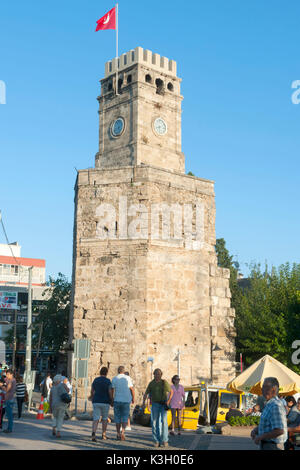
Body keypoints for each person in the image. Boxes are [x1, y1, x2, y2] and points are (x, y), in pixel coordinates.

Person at [250, 377, 287, 450]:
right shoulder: (269, 404)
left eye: (265, 387)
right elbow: (268, 424)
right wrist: (256, 430)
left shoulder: (275, 405)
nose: (262, 390)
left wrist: (260, 437)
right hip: (267, 445)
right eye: (262, 387)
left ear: (273, 390)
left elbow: (279, 430)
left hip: (273, 446)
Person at [142, 368, 173, 448]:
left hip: (163, 404)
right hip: (155, 404)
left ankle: (165, 440)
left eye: (159, 374)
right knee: (155, 423)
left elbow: (171, 392)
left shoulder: (164, 382)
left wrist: (168, 401)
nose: (157, 375)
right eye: (156, 374)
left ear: (161, 375)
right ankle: (157, 440)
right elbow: (146, 393)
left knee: (164, 422)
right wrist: (143, 403)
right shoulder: (151, 383)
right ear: (154, 375)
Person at [111, 366, 135, 441]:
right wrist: (133, 398)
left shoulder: (114, 378)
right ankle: (123, 433)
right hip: (126, 400)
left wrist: (112, 399)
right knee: (125, 417)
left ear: (118, 371)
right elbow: (132, 389)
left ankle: (118, 433)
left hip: (117, 400)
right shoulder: (127, 378)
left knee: (117, 417)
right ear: (124, 371)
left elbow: (112, 389)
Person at [89, 366, 113, 442]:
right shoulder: (108, 381)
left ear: (100, 372)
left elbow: (92, 391)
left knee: (96, 418)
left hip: (96, 401)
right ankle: (104, 434)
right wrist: (111, 400)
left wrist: (92, 398)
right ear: (106, 373)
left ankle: (93, 432)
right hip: (105, 402)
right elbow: (110, 392)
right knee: (105, 418)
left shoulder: (96, 380)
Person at [2, 369, 16, 433]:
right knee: (8, 415)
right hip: (10, 399)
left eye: (8, 374)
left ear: (11, 374)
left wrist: (2, 386)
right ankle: (9, 428)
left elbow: (7, 390)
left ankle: (9, 429)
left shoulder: (11, 381)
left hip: (9, 399)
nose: (7, 376)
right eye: (6, 374)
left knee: (9, 415)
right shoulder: (12, 380)